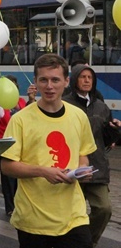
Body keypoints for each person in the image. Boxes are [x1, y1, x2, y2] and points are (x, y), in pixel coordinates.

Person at [0, 54, 97, 248]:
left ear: (66, 81)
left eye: (55, 80)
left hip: (73, 216)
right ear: (35, 81)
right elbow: (7, 166)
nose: (49, 86)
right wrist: (43, 171)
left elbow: (83, 154)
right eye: (43, 80)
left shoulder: (78, 116)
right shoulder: (20, 119)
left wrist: (81, 170)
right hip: (33, 220)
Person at [62, 63, 121, 245]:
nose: (87, 81)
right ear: (74, 80)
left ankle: (88, 241)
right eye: (83, 77)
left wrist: (115, 131)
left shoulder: (101, 106)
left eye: (90, 78)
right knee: (68, 213)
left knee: (104, 209)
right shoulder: (65, 104)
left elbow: (107, 139)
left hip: (96, 167)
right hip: (71, 165)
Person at [0, 75, 25, 216]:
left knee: (18, 177)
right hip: (2, 144)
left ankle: (19, 203)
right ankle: (10, 207)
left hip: (19, 144)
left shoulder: (21, 103)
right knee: (8, 178)